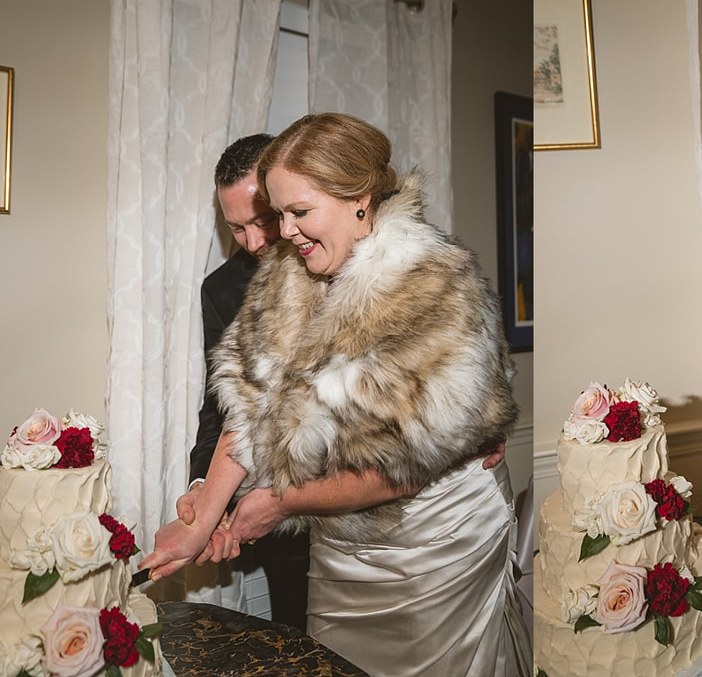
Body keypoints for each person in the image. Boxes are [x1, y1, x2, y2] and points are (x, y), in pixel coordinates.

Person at [142, 113, 530, 675]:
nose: (284, 233)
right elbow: (251, 408)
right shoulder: (287, 271)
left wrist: (279, 503)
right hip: (338, 539)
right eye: (279, 215)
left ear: (359, 199)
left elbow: (403, 469)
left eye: (298, 213)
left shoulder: (433, 288)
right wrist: (201, 520)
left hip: (435, 540)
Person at [180, 133, 312, 630]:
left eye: (262, 222)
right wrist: (203, 492)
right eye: (237, 228)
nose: (254, 243)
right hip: (278, 520)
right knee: (294, 641)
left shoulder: (343, 259)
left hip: (373, 507)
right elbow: (221, 407)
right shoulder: (220, 290)